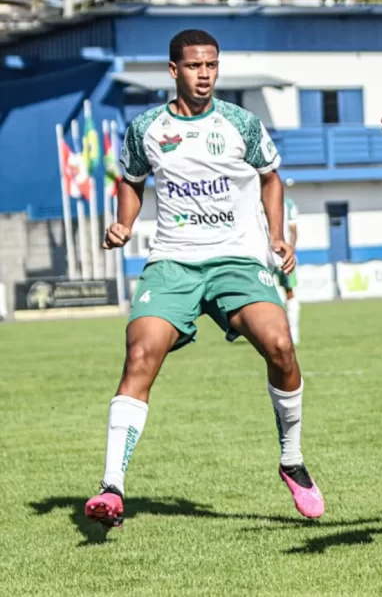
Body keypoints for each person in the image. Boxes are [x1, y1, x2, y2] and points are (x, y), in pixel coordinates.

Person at [86, 29, 324, 529]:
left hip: (237, 259)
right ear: (174, 71)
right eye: (195, 67)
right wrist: (124, 224)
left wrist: (277, 237)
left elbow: (271, 178)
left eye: (212, 66)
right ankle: (111, 487)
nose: (205, 75)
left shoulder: (241, 123)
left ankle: (292, 459)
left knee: (280, 345)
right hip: (173, 261)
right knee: (140, 354)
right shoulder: (146, 128)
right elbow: (130, 181)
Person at [278, 182, 301, 344]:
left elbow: (293, 231)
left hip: (282, 255)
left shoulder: (288, 203)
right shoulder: (256, 202)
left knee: (289, 292)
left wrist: (290, 250)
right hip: (264, 255)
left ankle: (293, 332)